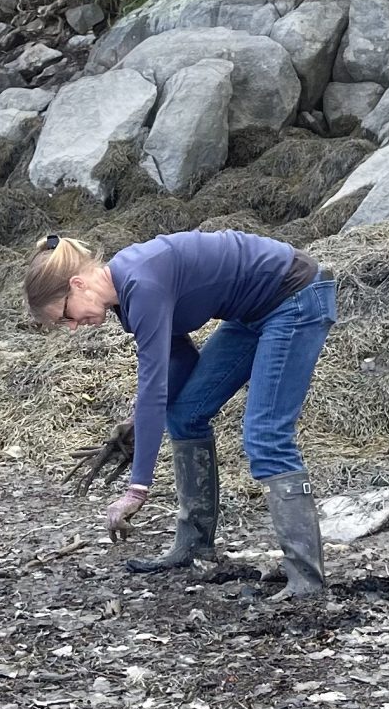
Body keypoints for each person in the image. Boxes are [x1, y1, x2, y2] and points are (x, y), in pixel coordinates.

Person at [24, 229, 337, 599]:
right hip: (253, 314)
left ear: (77, 285)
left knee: (266, 435)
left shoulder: (141, 283)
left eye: (66, 316)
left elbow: (154, 386)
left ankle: (306, 579)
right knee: (186, 414)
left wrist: (137, 489)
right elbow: (180, 359)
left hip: (296, 297)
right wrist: (138, 422)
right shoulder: (125, 298)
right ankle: (193, 547)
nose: (74, 326)